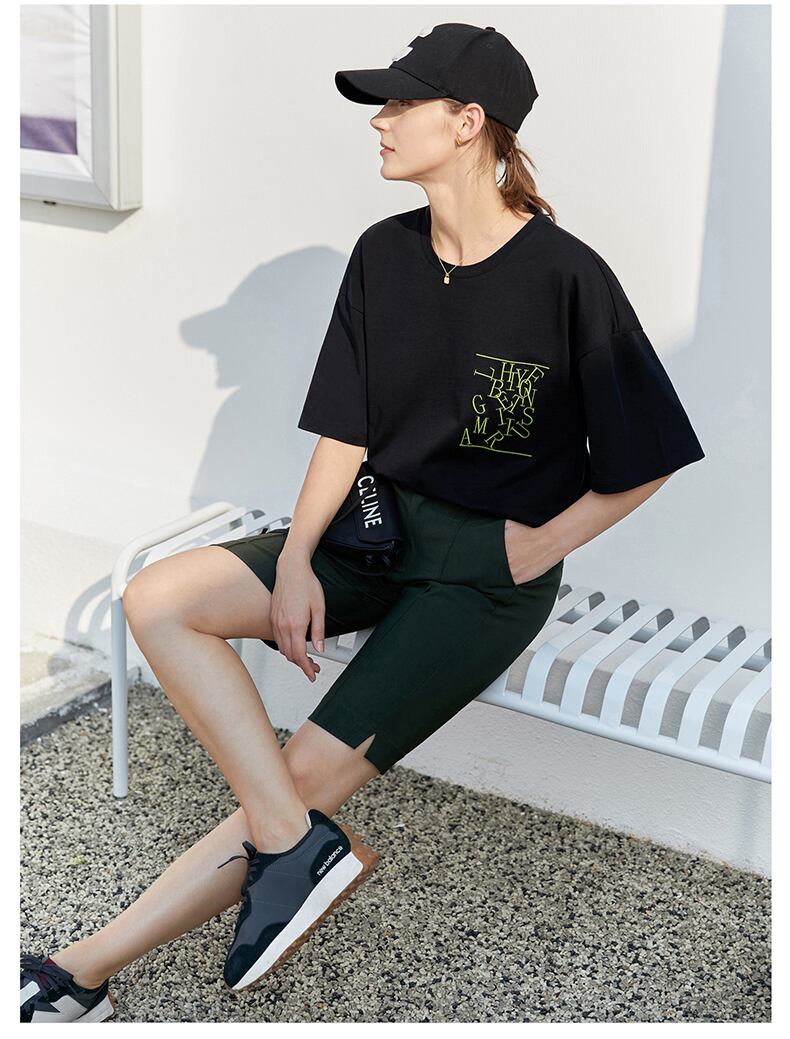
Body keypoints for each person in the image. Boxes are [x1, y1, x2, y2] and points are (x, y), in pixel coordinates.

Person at [21, 22, 705, 1022]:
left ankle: (80, 971)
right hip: (374, 533)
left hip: (483, 578)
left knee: (297, 774)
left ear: (467, 123)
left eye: (399, 103)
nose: (378, 121)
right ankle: (293, 845)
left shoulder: (567, 276)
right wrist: (298, 555)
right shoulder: (384, 254)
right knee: (160, 598)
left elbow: (652, 450)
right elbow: (346, 428)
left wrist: (537, 545)